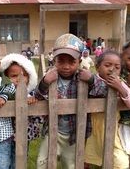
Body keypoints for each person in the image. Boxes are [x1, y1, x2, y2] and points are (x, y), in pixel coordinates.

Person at [35, 33, 109, 169]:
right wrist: (45, 82)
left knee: (71, 164)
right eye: (61, 61)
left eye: (71, 62)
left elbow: (104, 91)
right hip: (52, 131)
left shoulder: (84, 78)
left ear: (79, 62)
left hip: (74, 134)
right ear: (54, 61)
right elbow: (37, 96)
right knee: (42, 162)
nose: (66, 66)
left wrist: (92, 80)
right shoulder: (51, 77)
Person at [84, 50, 130, 168]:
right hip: (91, 131)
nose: (112, 69)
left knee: (121, 164)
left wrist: (121, 88)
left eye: (117, 67)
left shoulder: (120, 83)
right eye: (107, 65)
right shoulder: (90, 81)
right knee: (85, 159)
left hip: (112, 131)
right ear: (97, 67)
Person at [0, 53, 43, 169]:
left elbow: (39, 115)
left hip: (24, 134)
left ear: (29, 77)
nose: (19, 79)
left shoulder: (31, 94)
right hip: (6, 134)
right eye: (13, 76)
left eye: (23, 75)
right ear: (5, 77)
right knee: (5, 157)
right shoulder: (3, 94)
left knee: (21, 157)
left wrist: (33, 101)